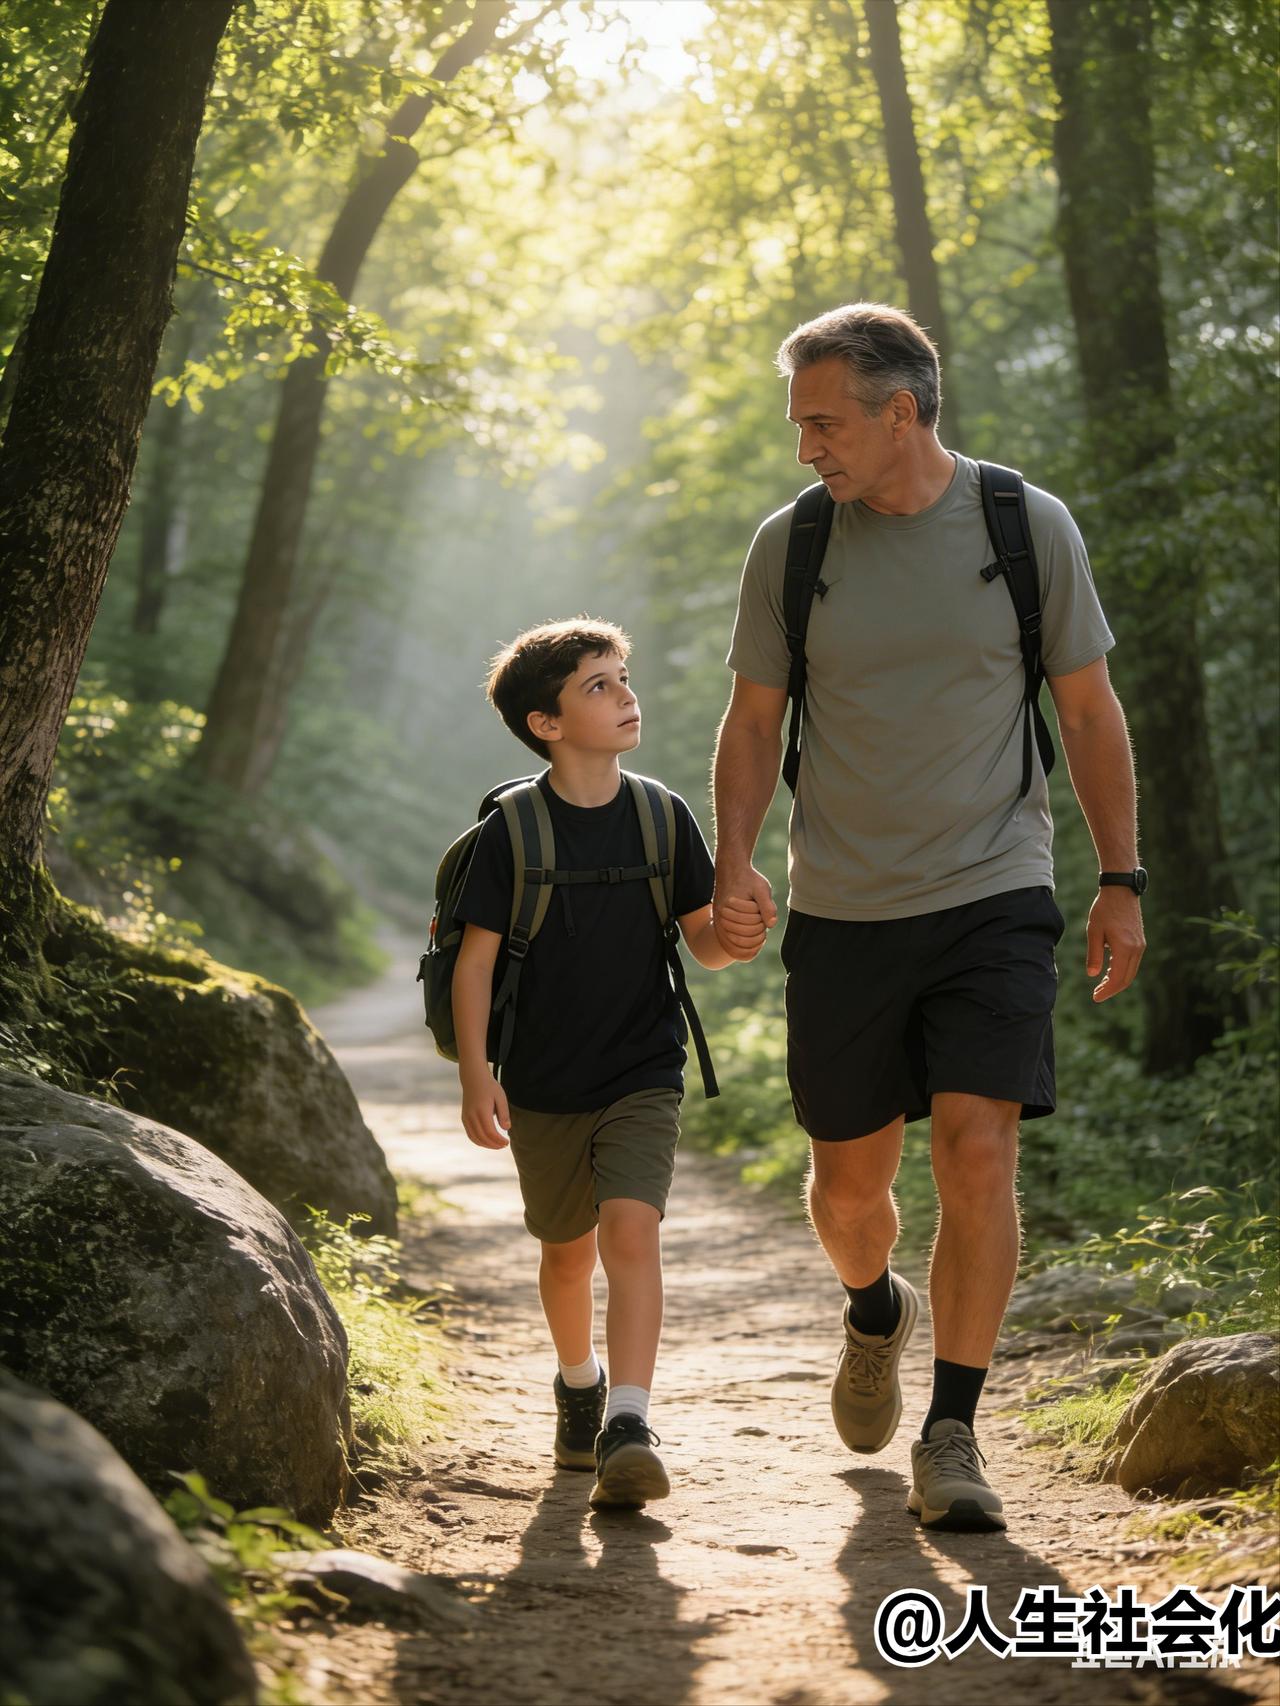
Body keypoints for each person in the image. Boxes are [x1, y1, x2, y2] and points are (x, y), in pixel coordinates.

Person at [712, 302, 1146, 1533]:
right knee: (848, 1187)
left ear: (898, 411)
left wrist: (1121, 880)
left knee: (975, 1146)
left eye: (822, 420)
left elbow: (1089, 711)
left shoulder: (1022, 526)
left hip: (993, 887)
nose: (806, 446)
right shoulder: (791, 547)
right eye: (800, 423)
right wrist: (732, 864)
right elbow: (751, 724)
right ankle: (871, 1308)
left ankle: (952, 1430)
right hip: (840, 901)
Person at [451, 617, 754, 1510]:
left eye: (624, 677)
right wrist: (478, 1072)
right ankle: (577, 1384)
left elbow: (704, 944)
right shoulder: (513, 831)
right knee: (564, 1253)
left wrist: (736, 934)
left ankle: (629, 1420)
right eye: (597, 684)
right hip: (542, 1077)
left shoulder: (664, 816)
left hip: (642, 1068)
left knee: (631, 1232)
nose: (625, 695)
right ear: (545, 722)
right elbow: (475, 961)